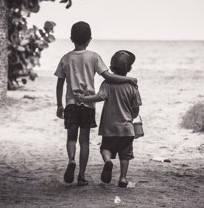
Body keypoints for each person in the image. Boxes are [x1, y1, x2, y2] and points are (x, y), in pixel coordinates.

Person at [54, 22, 137, 186]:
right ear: (90, 39)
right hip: (88, 105)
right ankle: (82, 175)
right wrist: (129, 79)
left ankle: (71, 160)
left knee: (71, 138)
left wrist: (59, 105)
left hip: (71, 103)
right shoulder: (93, 56)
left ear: (71, 38)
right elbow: (109, 77)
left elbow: (59, 84)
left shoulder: (65, 58)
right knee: (84, 141)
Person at [75, 50, 142, 187]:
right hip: (127, 128)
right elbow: (136, 108)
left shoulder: (107, 83)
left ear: (111, 68)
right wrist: (132, 116)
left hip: (109, 127)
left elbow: (99, 97)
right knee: (125, 155)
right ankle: (123, 178)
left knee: (105, 148)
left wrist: (83, 98)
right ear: (129, 69)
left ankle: (107, 161)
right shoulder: (132, 86)